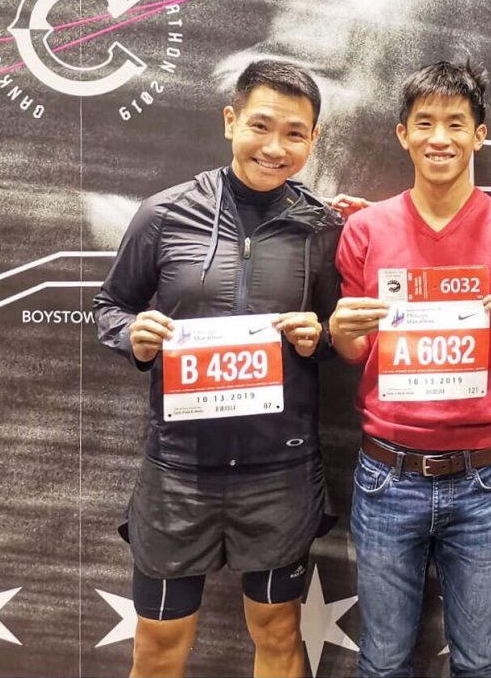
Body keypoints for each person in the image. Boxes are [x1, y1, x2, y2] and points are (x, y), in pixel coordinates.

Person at [93, 60, 342, 678]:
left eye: (295, 133)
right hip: (179, 473)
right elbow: (111, 306)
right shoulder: (164, 213)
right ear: (231, 121)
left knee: (279, 636)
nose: (275, 147)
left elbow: (340, 332)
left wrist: (320, 338)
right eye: (261, 126)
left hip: (279, 473)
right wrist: (133, 336)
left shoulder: (322, 228)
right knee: (157, 648)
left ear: (313, 140)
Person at [328, 60, 491, 678]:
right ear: (403, 134)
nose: (440, 138)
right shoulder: (364, 229)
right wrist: (342, 334)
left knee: (480, 660)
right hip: (386, 474)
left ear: (480, 134)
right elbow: (356, 354)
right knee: (383, 660)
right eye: (424, 123)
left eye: (456, 123)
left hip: (481, 478)